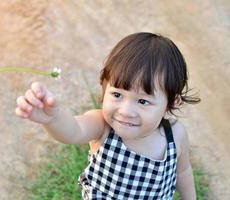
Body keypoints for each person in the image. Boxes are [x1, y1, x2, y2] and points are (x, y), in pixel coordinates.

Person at [15, 32, 201, 199]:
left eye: (143, 101)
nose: (126, 111)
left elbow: (182, 171)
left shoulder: (175, 135)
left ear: (171, 103)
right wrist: (53, 118)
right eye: (117, 95)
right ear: (105, 88)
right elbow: (73, 131)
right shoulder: (102, 126)